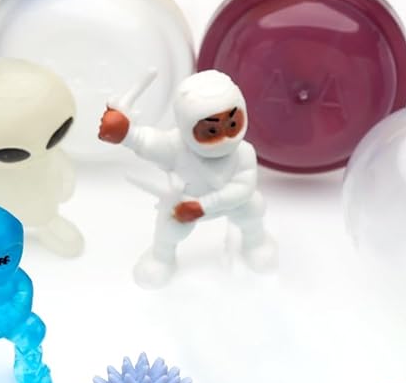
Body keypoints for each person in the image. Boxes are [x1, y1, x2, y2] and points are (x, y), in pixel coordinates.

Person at [99, 69, 277, 288]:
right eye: (211, 130)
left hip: (227, 204)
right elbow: (148, 142)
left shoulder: (244, 152)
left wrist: (204, 205)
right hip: (185, 206)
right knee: (169, 230)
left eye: (232, 125)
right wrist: (125, 132)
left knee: (253, 208)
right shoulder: (176, 146)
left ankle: (255, 243)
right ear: (185, 125)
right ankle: (162, 259)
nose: (224, 138)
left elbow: (243, 189)